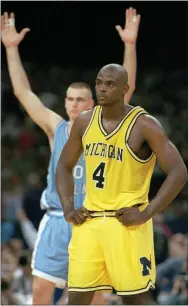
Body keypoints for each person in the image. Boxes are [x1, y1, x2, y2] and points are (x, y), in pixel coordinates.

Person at [1, 8, 140, 304]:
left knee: (95, 299)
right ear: (65, 103)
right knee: (40, 291)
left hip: (94, 221)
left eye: (80, 99)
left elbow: (127, 91)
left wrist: (129, 44)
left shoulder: (104, 127)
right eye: (70, 99)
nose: (74, 104)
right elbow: (23, 93)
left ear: (92, 103)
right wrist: (11, 49)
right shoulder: (57, 128)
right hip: (57, 220)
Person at [56, 63, 187, 305]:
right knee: (76, 298)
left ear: (125, 89)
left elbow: (179, 172)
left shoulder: (144, 124)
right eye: (98, 82)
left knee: (133, 299)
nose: (101, 89)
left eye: (109, 84)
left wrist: (147, 212)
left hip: (126, 224)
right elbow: (63, 166)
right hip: (90, 221)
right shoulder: (85, 122)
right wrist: (67, 206)